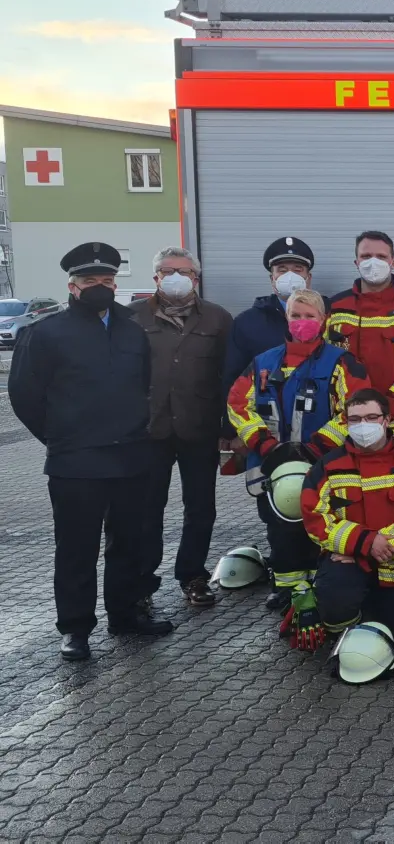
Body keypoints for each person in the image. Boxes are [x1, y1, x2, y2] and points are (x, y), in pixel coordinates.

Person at [9, 243, 168, 660]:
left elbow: (143, 386)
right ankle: (76, 629)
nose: (100, 286)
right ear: (72, 286)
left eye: (107, 280)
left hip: (131, 457)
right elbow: (24, 396)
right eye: (90, 281)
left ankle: (126, 613)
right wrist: (61, 438)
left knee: (129, 543)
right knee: (77, 548)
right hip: (75, 462)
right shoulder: (44, 333)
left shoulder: (132, 330)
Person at [226, 289, 371, 622]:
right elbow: (237, 403)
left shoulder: (341, 362)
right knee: (279, 528)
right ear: (286, 319)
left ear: (324, 320)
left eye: (310, 316)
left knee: (324, 524)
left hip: (324, 463)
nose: (302, 322)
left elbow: (357, 407)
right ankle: (289, 587)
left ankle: (322, 584)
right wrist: (262, 444)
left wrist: (317, 446)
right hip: (272, 466)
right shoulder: (263, 362)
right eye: (295, 315)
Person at [129, 247, 234, 607]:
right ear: (155, 277)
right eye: (167, 270)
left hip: (199, 428)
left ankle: (193, 576)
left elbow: (229, 376)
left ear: (196, 278)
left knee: (201, 507)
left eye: (184, 271)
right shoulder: (131, 318)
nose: (176, 276)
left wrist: (228, 425)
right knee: (146, 509)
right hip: (147, 429)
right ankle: (142, 584)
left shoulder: (217, 319)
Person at [302, 388, 394, 653]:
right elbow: (315, 518)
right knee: (336, 595)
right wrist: (366, 542)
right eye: (355, 419)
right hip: (349, 565)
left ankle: (379, 612)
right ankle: (345, 636)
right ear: (346, 422)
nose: (363, 425)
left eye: (371, 417)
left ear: (386, 420)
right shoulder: (328, 465)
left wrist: (377, 546)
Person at [325, 231, 394, 444]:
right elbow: (323, 361)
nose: (373, 262)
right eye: (366, 256)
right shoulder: (336, 307)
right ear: (356, 262)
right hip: (344, 425)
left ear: (393, 262)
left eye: (381, 256)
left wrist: (388, 407)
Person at [222, 236, 321, 396]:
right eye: (282, 270)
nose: (290, 276)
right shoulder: (246, 323)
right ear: (272, 279)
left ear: (308, 278)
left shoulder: (327, 316)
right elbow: (233, 381)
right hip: (265, 416)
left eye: (297, 269)